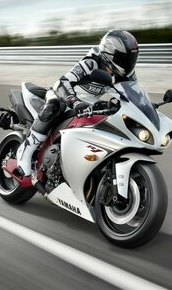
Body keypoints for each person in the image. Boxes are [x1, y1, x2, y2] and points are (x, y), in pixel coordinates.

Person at [16, 29, 140, 182]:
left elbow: (132, 93)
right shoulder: (91, 62)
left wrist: (143, 105)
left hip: (88, 102)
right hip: (63, 94)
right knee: (55, 106)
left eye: (131, 58)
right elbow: (63, 82)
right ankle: (25, 151)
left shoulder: (125, 73)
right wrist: (73, 100)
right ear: (109, 53)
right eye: (123, 58)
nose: (128, 63)